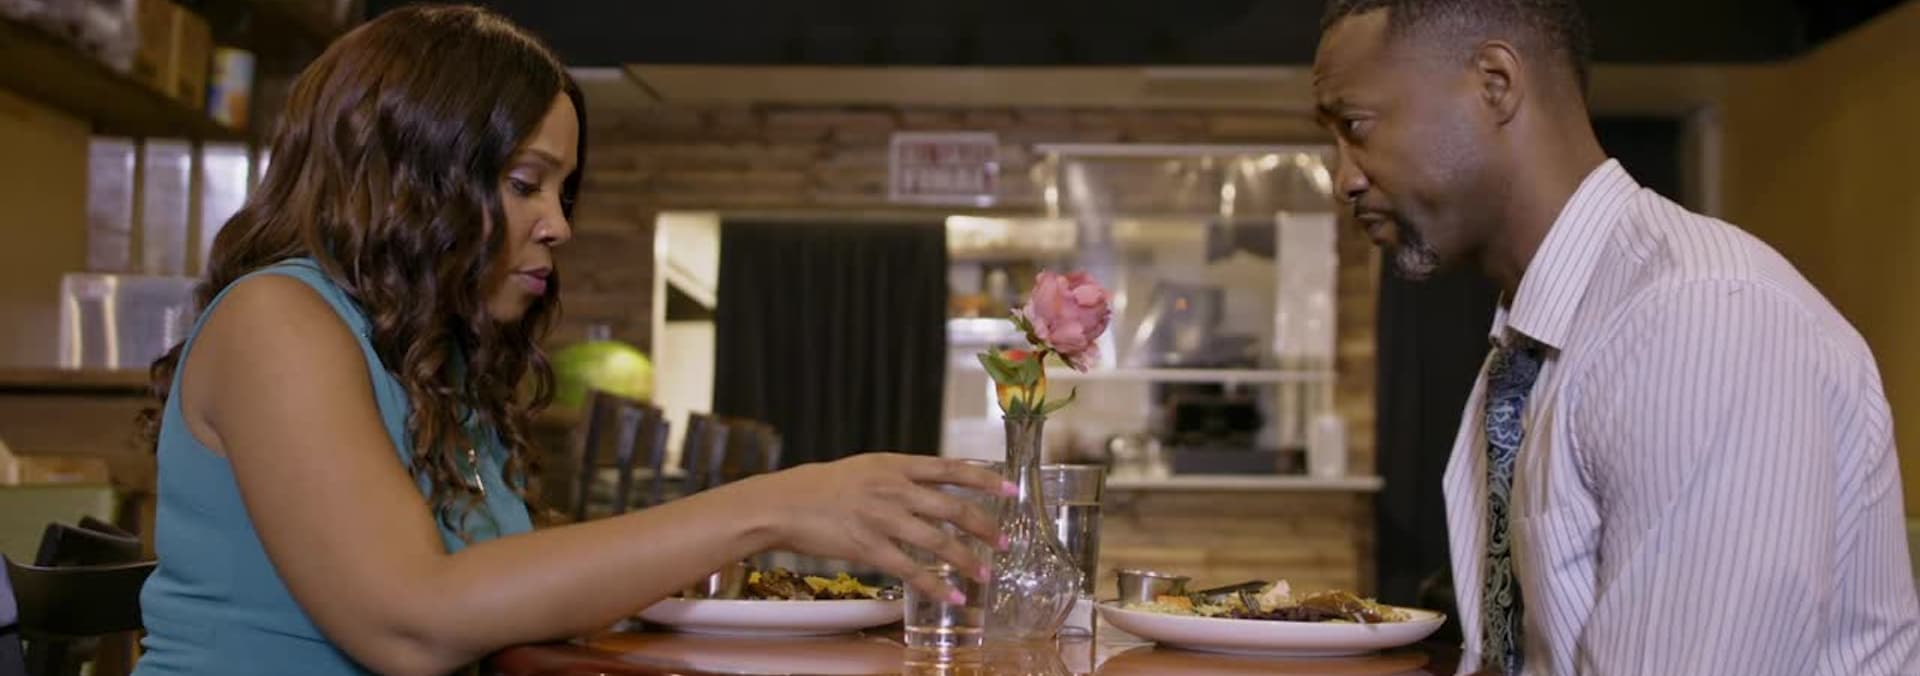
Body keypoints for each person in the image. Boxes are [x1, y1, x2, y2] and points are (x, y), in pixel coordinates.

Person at [131, 7, 1006, 676]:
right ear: (412, 181)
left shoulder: (433, 358)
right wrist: (767, 507)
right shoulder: (277, 319)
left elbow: (500, 588)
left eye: (562, 190)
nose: (558, 225)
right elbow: (409, 622)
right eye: (525, 184)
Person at [1313, 1, 1919, 674]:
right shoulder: (1533, 343)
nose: (1345, 179)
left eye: (1356, 126)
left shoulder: (1698, 316)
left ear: (1494, 83)